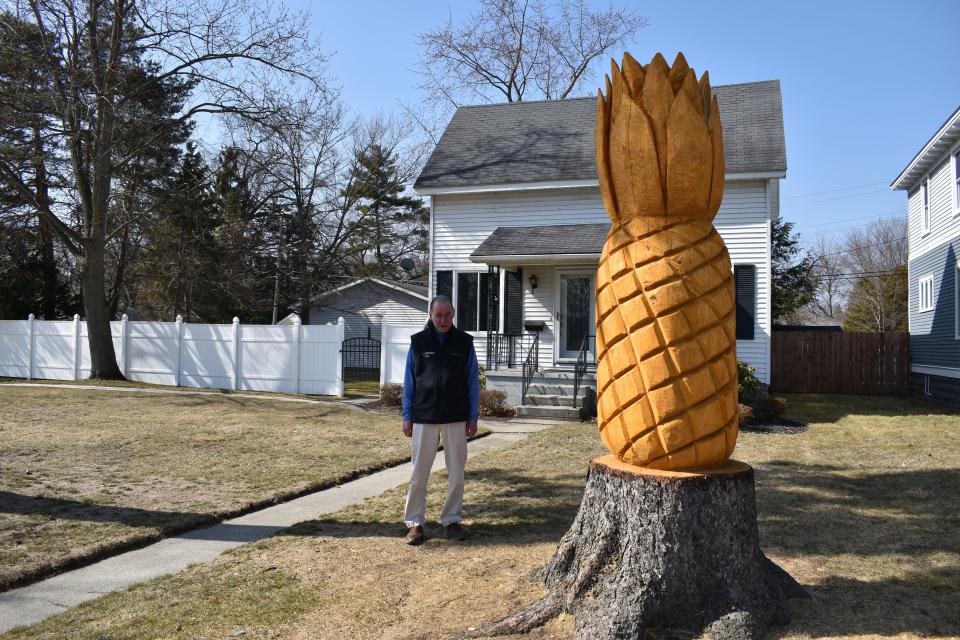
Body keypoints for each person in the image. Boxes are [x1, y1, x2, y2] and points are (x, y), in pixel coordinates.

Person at [401, 295, 480, 545]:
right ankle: (415, 523)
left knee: (456, 473)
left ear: (453, 315)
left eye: (447, 315)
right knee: (418, 473)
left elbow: (472, 383)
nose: (443, 319)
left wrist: (473, 416)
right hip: (424, 416)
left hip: (456, 416)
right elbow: (409, 383)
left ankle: (452, 520)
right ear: (431, 315)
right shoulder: (418, 342)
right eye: (438, 315)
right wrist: (407, 416)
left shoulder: (464, 343)